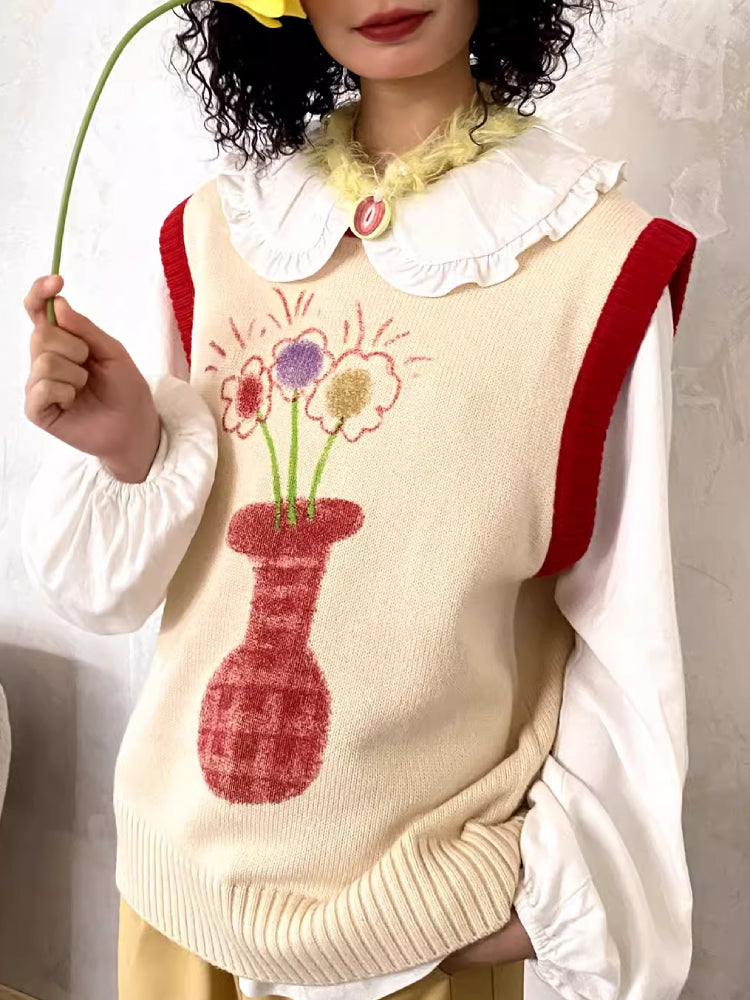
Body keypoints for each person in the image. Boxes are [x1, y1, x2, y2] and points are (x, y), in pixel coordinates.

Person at [21, 1, 697, 999]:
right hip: (175, 908)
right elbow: (111, 596)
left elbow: (625, 632)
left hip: (414, 941)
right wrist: (132, 451)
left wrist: (561, 902)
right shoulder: (218, 231)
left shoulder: (598, 261)